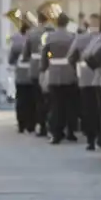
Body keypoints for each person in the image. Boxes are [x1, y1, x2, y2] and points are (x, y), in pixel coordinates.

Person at [39, 14, 79, 144]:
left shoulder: (50, 37)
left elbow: (47, 54)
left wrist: (45, 66)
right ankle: (71, 131)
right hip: (69, 72)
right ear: (67, 23)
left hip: (54, 72)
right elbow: (75, 55)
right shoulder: (72, 37)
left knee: (56, 105)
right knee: (70, 105)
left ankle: (56, 133)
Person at [68, 16, 101, 150]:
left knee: (88, 109)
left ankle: (90, 138)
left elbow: (71, 57)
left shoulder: (81, 39)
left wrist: (77, 70)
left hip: (86, 77)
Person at [22, 8, 55, 138]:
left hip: (35, 68)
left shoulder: (31, 34)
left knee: (38, 99)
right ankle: (51, 124)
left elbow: (25, 54)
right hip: (51, 68)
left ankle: (41, 126)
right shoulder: (52, 32)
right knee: (51, 100)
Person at [9, 22, 34, 133]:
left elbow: (10, 60)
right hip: (32, 74)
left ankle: (21, 124)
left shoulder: (16, 44)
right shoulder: (34, 41)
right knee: (31, 100)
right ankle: (30, 124)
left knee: (20, 100)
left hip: (20, 74)